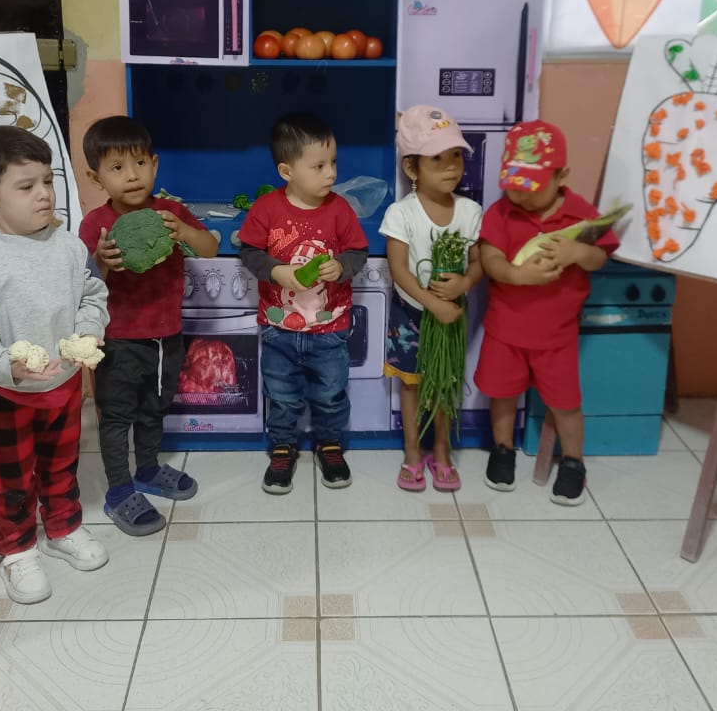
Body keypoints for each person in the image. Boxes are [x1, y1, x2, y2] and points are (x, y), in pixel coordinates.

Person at [0, 125, 111, 605]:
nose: (44, 194)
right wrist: (7, 367)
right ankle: (17, 548)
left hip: (64, 386)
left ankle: (63, 528)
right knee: (11, 479)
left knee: (61, 465)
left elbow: (93, 295)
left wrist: (89, 331)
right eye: (26, 187)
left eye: (48, 181)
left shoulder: (69, 246)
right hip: (8, 396)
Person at [78, 115, 218, 536]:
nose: (132, 175)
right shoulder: (95, 225)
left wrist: (187, 232)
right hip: (117, 341)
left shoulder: (171, 212)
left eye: (140, 163)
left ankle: (149, 469)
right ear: (96, 177)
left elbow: (210, 249)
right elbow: (83, 284)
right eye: (117, 167)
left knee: (155, 408)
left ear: (154, 164)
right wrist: (101, 260)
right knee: (117, 417)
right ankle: (119, 491)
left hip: (167, 336)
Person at [476, 120, 618, 505]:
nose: (521, 194)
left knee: (566, 403)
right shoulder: (501, 212)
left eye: (532, 186)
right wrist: (517, 275)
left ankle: (573, 462)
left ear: (561, 176)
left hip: (557, 335)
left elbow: (599, 257)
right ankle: (502, 450)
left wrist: (578, 252)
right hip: (505, 329)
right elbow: (490, 258)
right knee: (502, 395)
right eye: (514, 185)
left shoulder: (579, 214)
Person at [238, 112, 369, 494]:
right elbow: (249, 252)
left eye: (333, 163)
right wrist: (276, 271)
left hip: (330, 329)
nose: (331, 173)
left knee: (330, 393)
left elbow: (358, 252)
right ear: (287, 171)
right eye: (319, 166)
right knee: (281, 394)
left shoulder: (340, 210)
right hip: (278, 328)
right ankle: (282, 447)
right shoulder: (266, 209)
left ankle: (330, 445)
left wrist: (341, 267)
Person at [380, 105, 483, 492]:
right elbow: (399, 271)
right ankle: (412, 452)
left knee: (444, 383)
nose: (451, 166)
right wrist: (433, 302)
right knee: (412, 386)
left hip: (451, 314)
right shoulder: (401, 213)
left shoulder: (470, 212)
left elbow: (478, 262)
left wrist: (463, 284)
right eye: (437, 158)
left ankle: (441, 450)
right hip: (410, 316)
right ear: (412, 168)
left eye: (456, 155)